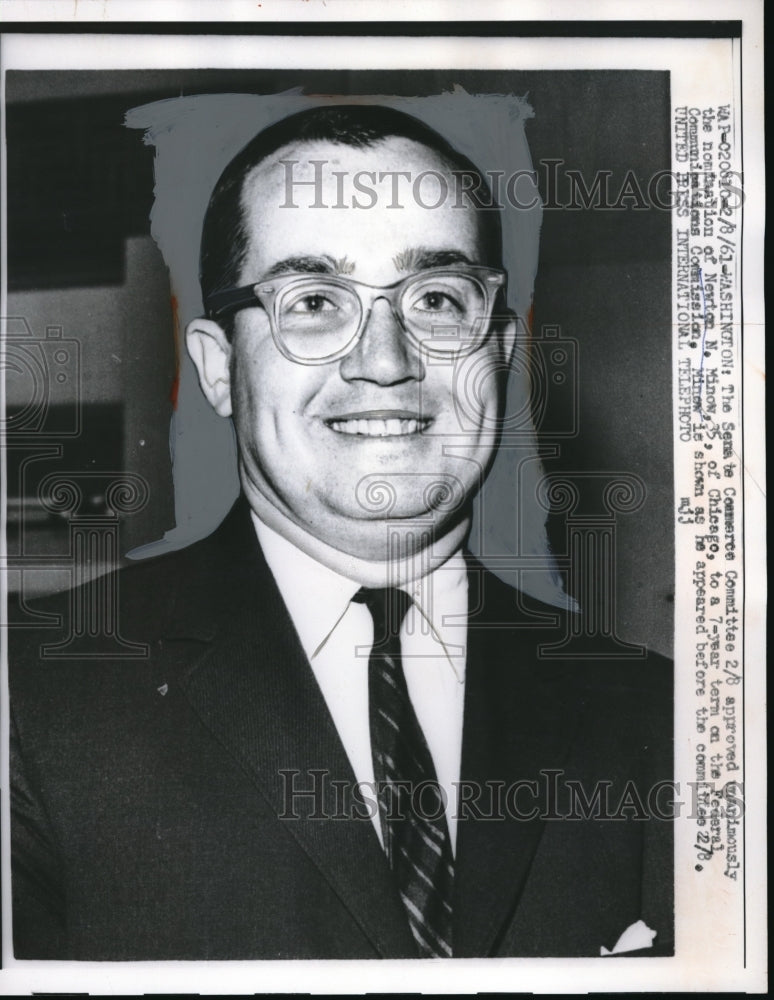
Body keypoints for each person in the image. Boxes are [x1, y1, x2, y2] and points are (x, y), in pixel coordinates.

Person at [10, 104, 673, 960]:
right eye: (315, 300)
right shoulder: (33, 705)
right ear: (219, 369)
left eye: (438, 297)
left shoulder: (653, 713)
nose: (386, 359)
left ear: (499, 352)